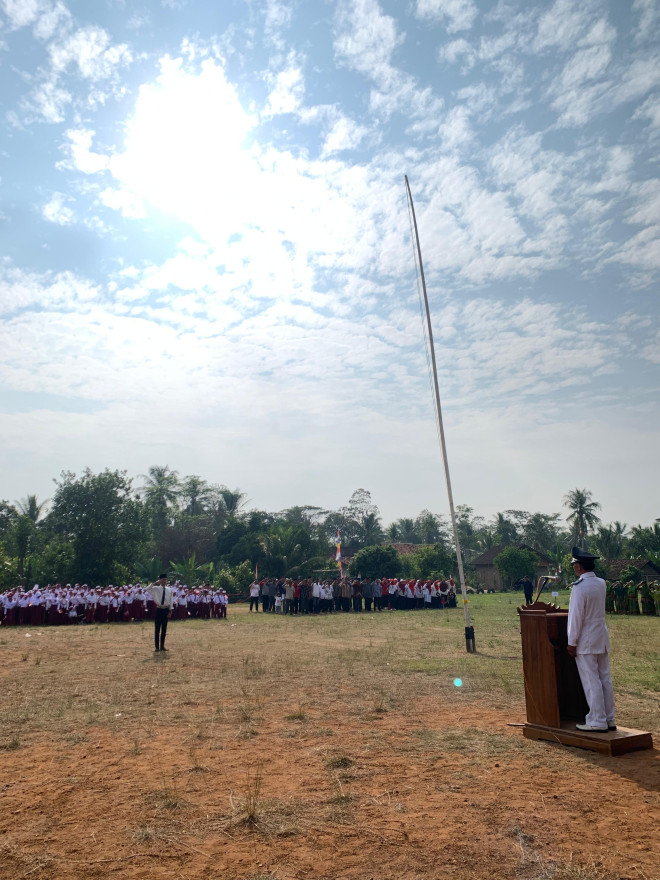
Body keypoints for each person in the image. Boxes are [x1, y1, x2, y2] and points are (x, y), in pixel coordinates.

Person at [567, 547, 616, 733]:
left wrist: (572, 642)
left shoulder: (580, 587)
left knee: (591, 680)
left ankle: (597, 720)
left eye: (574, 565)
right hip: (601, 637)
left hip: (586, 640)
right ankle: (609, 718)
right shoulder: (601, 583)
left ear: (579, 566)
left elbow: (576, 617)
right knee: (605, 679)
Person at [146, 573, 174, 652]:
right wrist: (155, 583)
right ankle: (157, 647)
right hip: (159, 609)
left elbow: (171, 600)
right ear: (160, 580)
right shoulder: (156, 588)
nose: (164, 581)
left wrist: (170, 611)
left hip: (166, 609)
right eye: (162, 579)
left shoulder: (169, 590)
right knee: (157, 629)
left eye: (165, 579)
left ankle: (162, 646)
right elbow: (147, 589)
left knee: (164, 629)